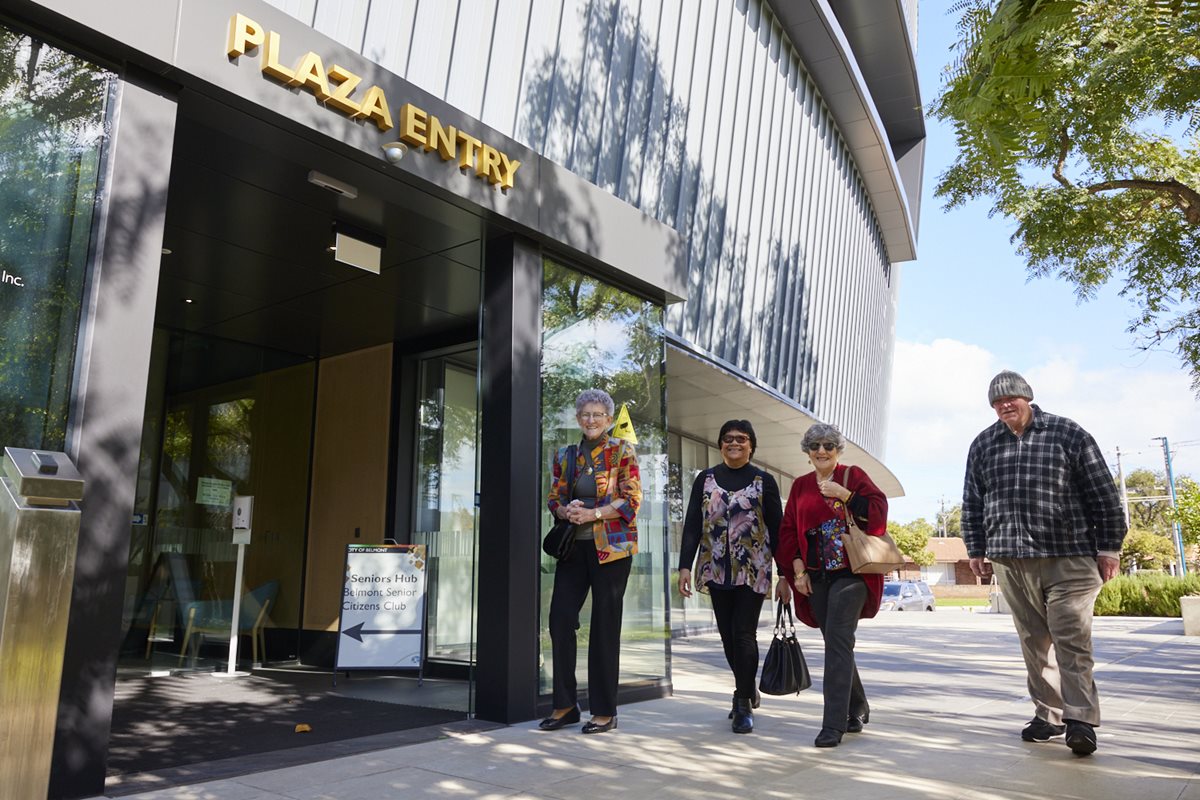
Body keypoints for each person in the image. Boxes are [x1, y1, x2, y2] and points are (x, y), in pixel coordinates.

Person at [962, 370, 1127, 757]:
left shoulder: (1068, 434)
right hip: (1011, 559)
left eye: (1011, 399)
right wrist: (976, 549)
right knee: (1033, 641)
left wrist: (1110, 548)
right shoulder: (984, 444)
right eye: (996, 402)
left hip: (1068, 556)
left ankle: (1081, 719)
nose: (1004, 406)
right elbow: (972, 502)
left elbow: (1104, 494)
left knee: (1070, 638)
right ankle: (1048, 715)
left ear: (1028, 398)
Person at [775, 423, 888, 748]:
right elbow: (787, 531)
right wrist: (796, 568)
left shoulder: (853, 476)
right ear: (807, 452)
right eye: (814, 446)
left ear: (838, 449)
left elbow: (878, 516)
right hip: (817, 577)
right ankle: (856, 707)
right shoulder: (800, 486)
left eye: (827, 445)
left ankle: (833, 724)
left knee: (837, 642)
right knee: (838, 643)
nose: (821, 451)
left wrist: (846, 495)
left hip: (853, 574)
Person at [540, 388, 641, 735]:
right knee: (560, 620)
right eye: (585, 414)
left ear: (609, 420)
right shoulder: (565, 455)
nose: (591, 420)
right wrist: (564, 510)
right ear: (578, 418)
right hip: (574, 549)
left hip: (612, 550)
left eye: (598, 414)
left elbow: (631, 501)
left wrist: (594, 514)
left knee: (604, 626)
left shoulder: (622, 451)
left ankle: (604, 711)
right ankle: (566, 705)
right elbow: (554, 497)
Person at [678, 420, 783, 734]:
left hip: (754, 569)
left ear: (751, 445)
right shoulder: (705, 479)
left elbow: (778, 530)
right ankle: (747, 686)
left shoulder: (764, 481)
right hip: (716, 567)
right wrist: (685, 566)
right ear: (720, 444)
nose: (734, 443)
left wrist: (788, 575)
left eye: (741, 438)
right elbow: (693, 525)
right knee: (726, 637)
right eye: (727, 439)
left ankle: (741, 702)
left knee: (743, 634)